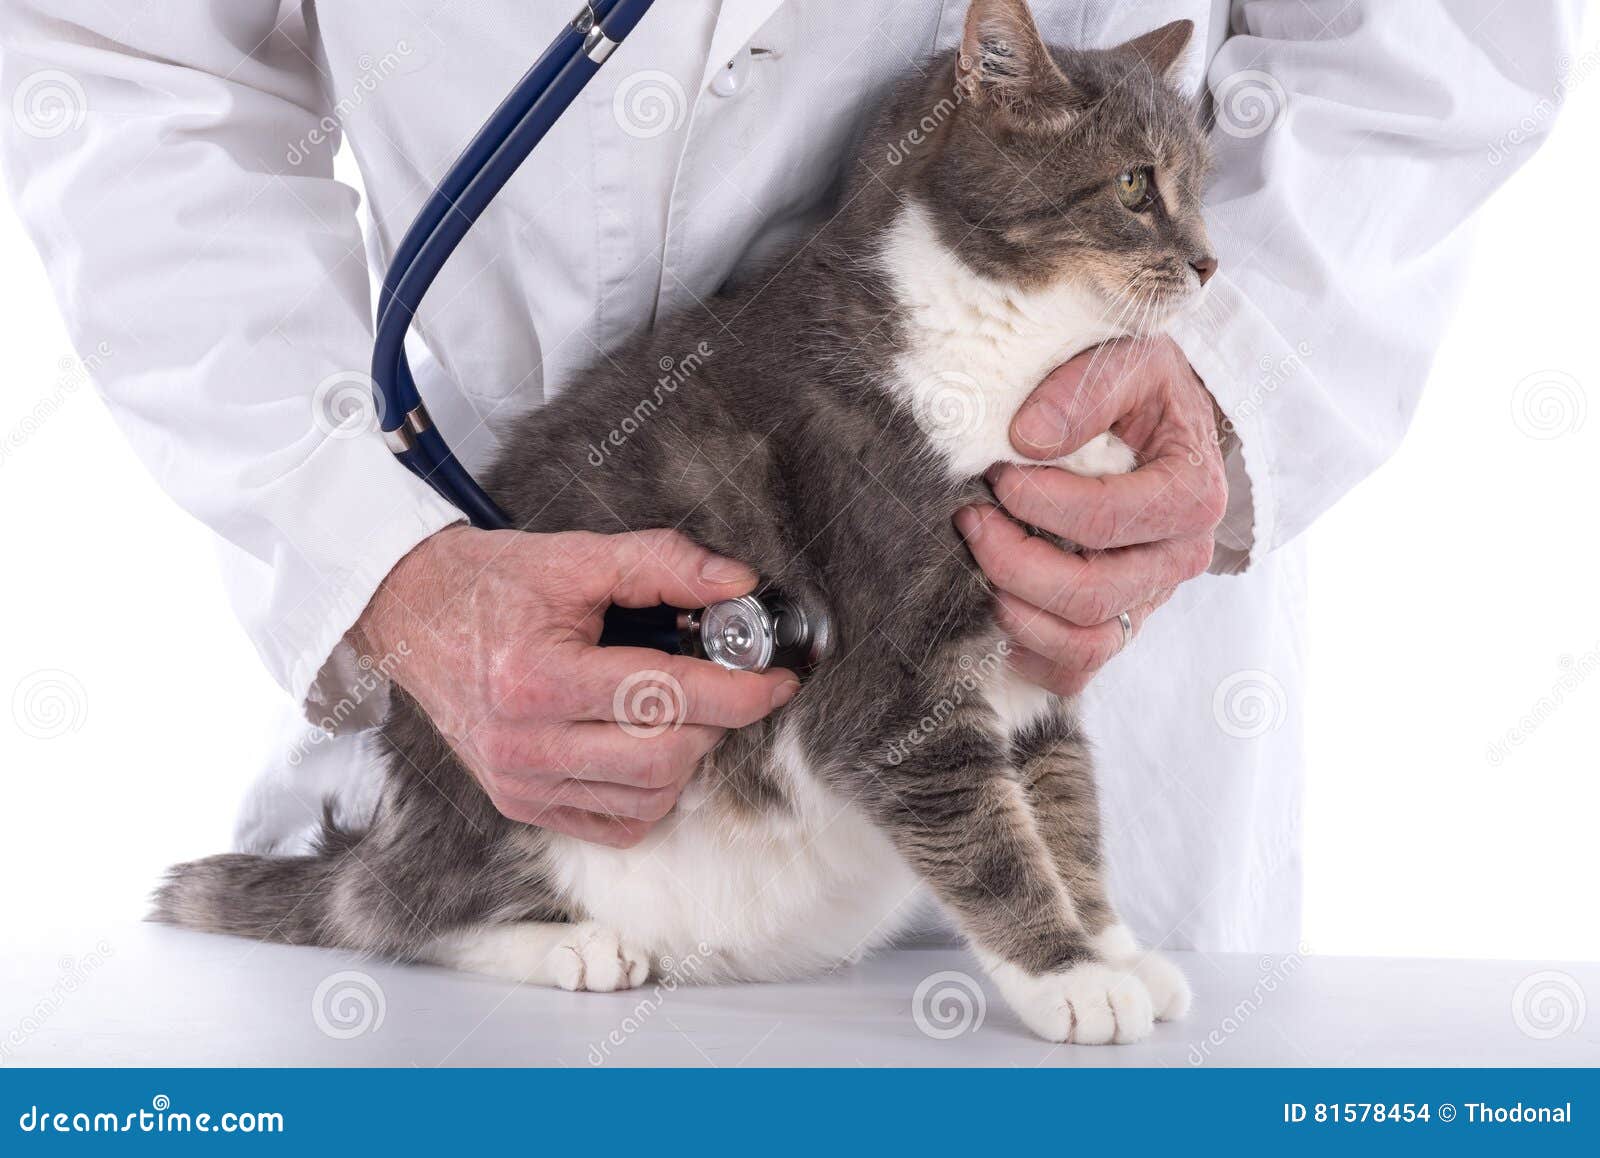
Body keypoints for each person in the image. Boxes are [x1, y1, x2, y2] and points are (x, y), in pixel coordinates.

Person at [0, 0, 1578, 952]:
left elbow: (1426, 44)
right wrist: (368, 553)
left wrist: (1230, 384)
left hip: (1082, 632)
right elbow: (126, 63)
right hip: (501, 708)